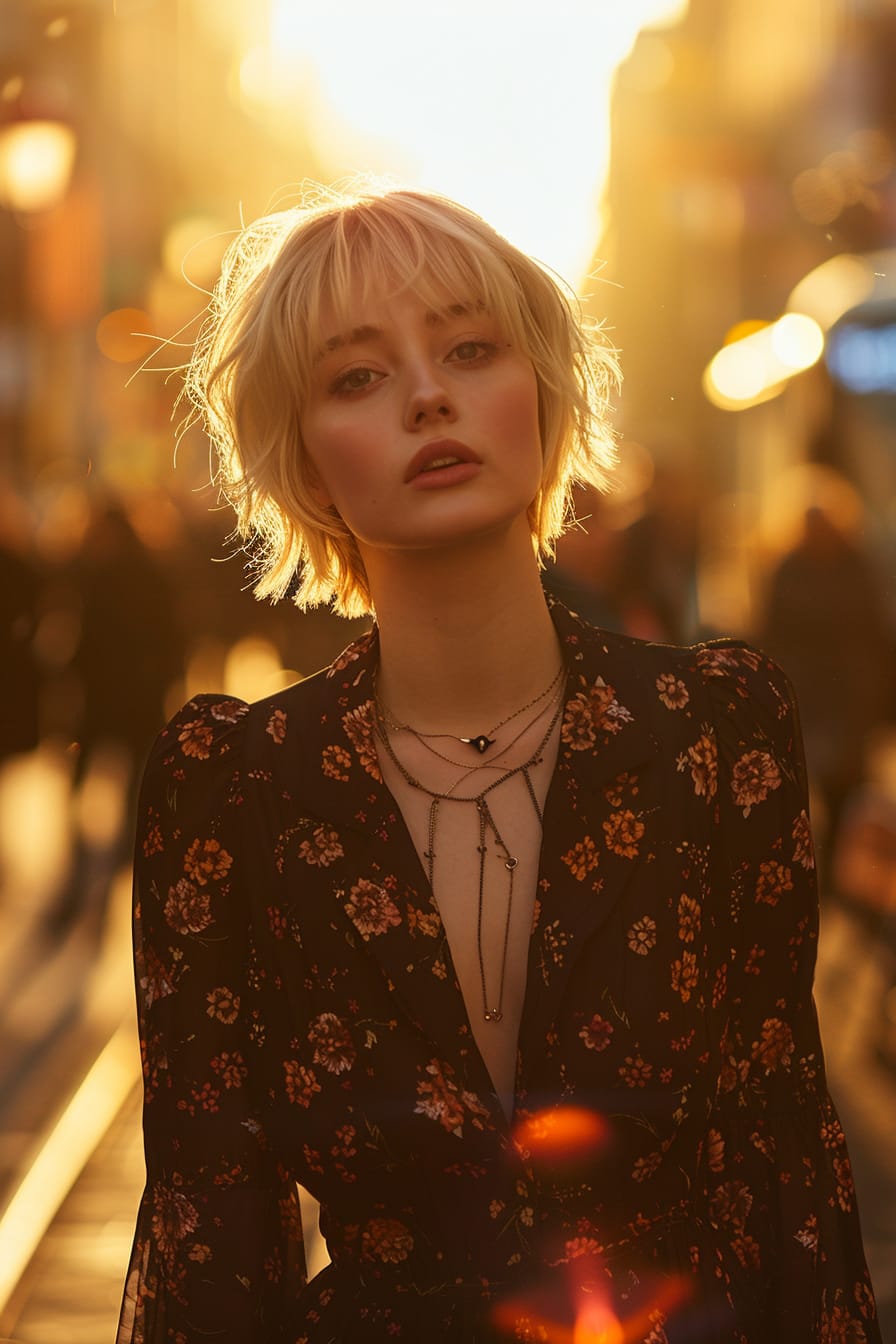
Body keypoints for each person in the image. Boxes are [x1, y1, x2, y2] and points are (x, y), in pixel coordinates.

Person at [117, 185, 879, 1343]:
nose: (428, 394)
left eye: (469, 349)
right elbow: (205, 1236)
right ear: (308, 462)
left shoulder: (713, 739)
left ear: (541, 391)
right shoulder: (233, 792)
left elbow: (782, 1173)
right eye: (356, 376)